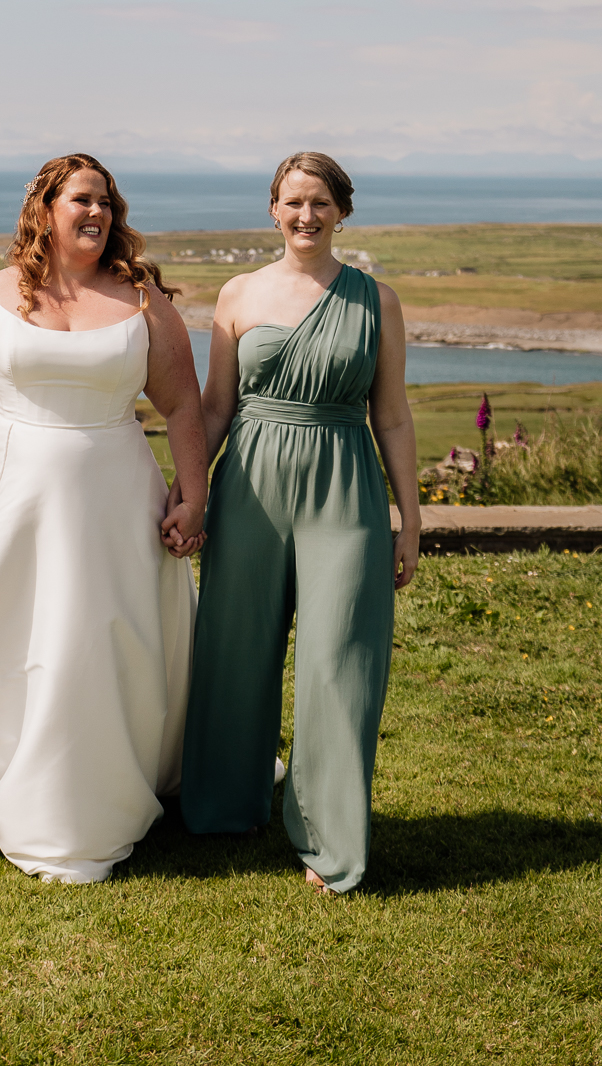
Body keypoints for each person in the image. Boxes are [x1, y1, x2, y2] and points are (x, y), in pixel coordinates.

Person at [0, 154, 208, 883]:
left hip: (113, 500)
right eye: (82, 200)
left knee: (97, 637)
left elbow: (183, 403)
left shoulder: (143, 301)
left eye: (106, 203)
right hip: (8, 491)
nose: (97, 214)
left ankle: (94, 786)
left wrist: (193, 495)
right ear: (45, 208)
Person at [177, 151, 420, 894]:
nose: (306, 216)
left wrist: (409, 520)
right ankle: (222, 808)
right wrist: (189, 492)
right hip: (249, 481)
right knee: (233, 646)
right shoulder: (238, 292)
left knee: (338, 660)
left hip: (344, 489)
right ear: (273, 210)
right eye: (292, 202)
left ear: (342, 211)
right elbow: (215, 406)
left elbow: (394, 416)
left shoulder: (377, 300)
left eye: (320, 203)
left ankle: (330, 840)